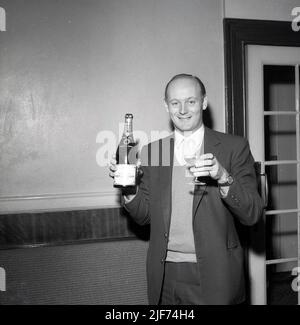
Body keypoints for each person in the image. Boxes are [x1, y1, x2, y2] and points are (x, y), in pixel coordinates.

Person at [109, 73, 263, 305]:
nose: (182, 109)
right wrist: (129, 190)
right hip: (165, 274)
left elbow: (253, 214)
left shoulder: (233, 146)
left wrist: (223, 177)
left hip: (214, 273)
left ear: (203, 102)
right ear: (166, 106)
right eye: (175, 103)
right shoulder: (154, 151)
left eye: (191, 101)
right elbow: (144, 217)